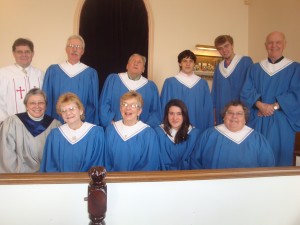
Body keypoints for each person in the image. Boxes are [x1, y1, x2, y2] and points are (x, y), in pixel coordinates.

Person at [240, 31, 300, 166]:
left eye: (278, 42)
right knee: (254, 156)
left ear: (284, 44)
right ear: (265, 45)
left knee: (279, 159)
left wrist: (273, 107)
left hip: (282, 121)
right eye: (270, 42)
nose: (274, 45)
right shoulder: (255, 68)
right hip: (257, 118)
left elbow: (297, 94)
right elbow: (246, 92)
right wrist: (260, 105)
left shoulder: (295, 68)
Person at [190, 100, 275, 169]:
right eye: (230, 113)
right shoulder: (208, 135)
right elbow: (195, 162)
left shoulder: (258, 139)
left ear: (245, 119)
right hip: (213, 186)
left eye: (239, 113)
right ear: (224, 116)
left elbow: (267, 167)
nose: (234, 116)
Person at [40, 92, 105, 172]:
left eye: (72, 109)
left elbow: (97, 163)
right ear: (61, 115)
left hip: (88, 182)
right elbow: (49, 165)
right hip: (61, 182)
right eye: (63, 111)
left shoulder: (96, 133)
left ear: (81, 110)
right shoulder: (54, 135)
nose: (68, 113)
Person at [42, 34, 99, 125]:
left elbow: (92, 104)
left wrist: (85, 125)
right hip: (56, 123)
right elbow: (46, 99)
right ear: (66, 49)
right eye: (71, 46)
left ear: (82, 51)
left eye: (78, 47)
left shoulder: (90, 74)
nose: (74, 49)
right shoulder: (53, 71)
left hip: (80, 125)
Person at [0, 88, 60, 173]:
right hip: (19, 176)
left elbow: (57, 156)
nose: (37, 106)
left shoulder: (55, 125)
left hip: (47, 176)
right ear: (26, 106)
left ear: (46, 106)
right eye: (32, 103)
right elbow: (6, 155)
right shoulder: (12, 123)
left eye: (41, 103)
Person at [99, 53, 162, 128]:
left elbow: (155, 113)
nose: (136, 63)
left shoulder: (151, 87)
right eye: (133, 61)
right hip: (115, 128)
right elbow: (103, 104)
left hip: (141, 133)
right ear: (127, 66)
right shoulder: (113, 80)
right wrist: (110, 123)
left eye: (139, 62)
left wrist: (145, 128)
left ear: (143, 69)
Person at [104, 91, 160, 171]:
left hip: (137, 181)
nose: (128, 108)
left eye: (133, 105)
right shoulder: (111, 130)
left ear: (139, 111)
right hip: (113, 180)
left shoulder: (149, 134)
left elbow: (150, 164)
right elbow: (106, 160)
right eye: (124, 104)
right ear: (120, 109)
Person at [160, 50, 214, 133]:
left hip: (198, 126)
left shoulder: (202, 84)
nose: (188, 64)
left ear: (194, 63)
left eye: (191, 61)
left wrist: (208, 130)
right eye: (184, 61)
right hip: (175, 129)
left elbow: (208, 109)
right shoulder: (170, 82)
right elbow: (164, 106)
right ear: (180, 63)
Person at [212, 35, 253, 125]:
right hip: (221, 111)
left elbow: (250, 88)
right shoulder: (218, 67)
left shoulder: (245, 62)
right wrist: (214, 113)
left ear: (232, 45)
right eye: (220, 48)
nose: (224, 50)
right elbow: (214, 92)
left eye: (226, 46)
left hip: (239, 111)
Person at [0, 38, 44, 123]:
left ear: (32, 53)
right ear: (14, 53)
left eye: (27, 52)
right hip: (10, 123)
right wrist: (5, 123)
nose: (24, 55)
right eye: (19, 52)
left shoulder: (40, 74)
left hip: (36, 124)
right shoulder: (3, 74)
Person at [155, 99, 200, 170]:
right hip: (163, 176)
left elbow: (195, 162)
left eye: (179, 114)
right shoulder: (158, 133)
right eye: (171, 113)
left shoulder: (194, 134)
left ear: (184, 115)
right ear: (167, 115)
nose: (175, 118)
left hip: (187, 176)